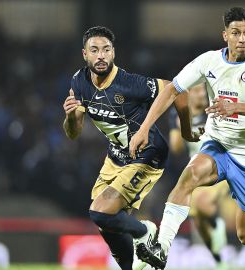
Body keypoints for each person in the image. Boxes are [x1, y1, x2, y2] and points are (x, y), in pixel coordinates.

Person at [129, 7, 245, 269]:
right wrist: (144, 128)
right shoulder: (209, 62)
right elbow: (171, 90)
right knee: (188, 177)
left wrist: (236, 107)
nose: (242, 39)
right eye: (236, 33)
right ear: (225, 35)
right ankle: (162, 247)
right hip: (219, 145)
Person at [62, 26, 174, 270]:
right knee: (106, 222)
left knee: (100, 212)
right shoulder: (79, 82)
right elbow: (73, 133)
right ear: (85, 54)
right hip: (116, 157)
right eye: (95, 50)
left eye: (106, 50)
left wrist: (178, 129)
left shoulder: (130, 84)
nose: (101, 55)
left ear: (113, 53)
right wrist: (71, 116)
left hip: (147, 153)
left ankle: (145, 232)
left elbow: (173, 89)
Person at [168, 84, 231, 267]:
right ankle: (217, 254)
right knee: (198, 219)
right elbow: (176, 148)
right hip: (197, 172)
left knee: (204, 203)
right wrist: (183, 125)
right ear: (188, 94)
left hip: (222, 165)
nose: (201, 94)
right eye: (196, 91)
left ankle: (219, 236)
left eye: (203, 90)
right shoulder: (180, 112)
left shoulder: (216, 107)